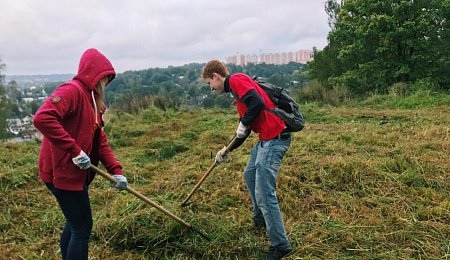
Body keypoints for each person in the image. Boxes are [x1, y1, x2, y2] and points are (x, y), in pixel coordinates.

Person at [33, 48, 128, 260]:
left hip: (76, 173)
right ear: (93, 74)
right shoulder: (72, 91)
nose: (105, 82)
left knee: (74, 222)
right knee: (82, 227)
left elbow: (99, 140)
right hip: (62, 172)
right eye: (104, 77)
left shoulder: (93, 99)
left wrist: (116, 171)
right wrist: (75, 150)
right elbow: (42, 118)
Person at [202, 60, 292, 260]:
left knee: (264, 193)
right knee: (250, 174)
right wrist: (226, 150)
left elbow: (257, 103)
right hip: (265, 139)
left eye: (209, 83)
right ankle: (260, 219)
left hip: (275, 138)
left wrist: (243, 123)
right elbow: (243, 132)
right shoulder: (236, 93)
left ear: (216, 76)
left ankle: (281, 246)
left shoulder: (236, 80)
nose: (210, 88)